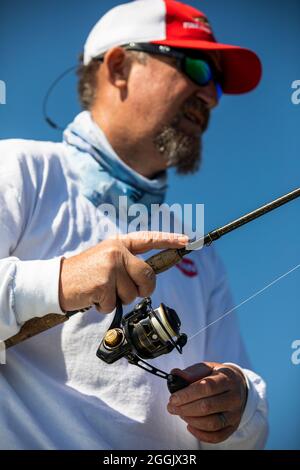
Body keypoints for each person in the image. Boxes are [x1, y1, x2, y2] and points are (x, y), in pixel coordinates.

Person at [0, 0, 268, 450]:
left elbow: (247, 433)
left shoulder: (198, 247)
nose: (209, 96)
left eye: (218, 86)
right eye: (198, 68)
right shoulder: (20, 168)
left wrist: (238, 408)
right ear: (120, 65)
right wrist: (59, 281)